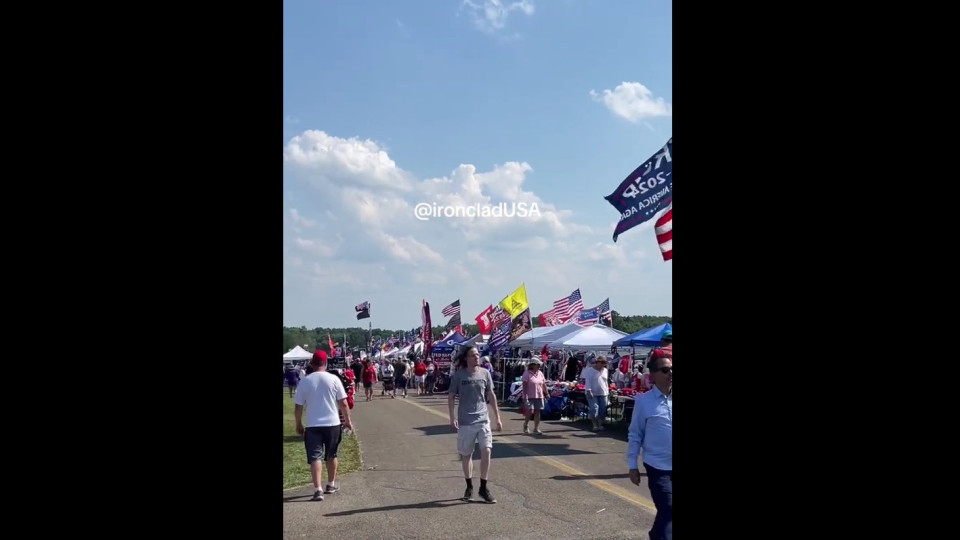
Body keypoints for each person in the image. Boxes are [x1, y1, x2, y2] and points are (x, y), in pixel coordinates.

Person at [294, 351, 354, 501]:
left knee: (315, 457)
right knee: (331, 454)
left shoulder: (305, 381)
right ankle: (331, 484)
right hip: (332, 423)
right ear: (326, 363)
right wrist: (347, 421)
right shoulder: (334, 379)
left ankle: (317, 489)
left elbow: (298, 407)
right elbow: (344, 403)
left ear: (313, 364)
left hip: (313, 424)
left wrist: (298, 423)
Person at [626, 349, 672, 540]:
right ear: (652, 375)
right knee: (669, 507)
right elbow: (635, 434)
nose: (671, 373)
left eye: (672, 369)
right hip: (658, 466)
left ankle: (656, 534)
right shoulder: (644, 402)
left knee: (668, 512)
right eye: (665, 370)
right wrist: (632, 465)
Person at [447, 346, 501, 504]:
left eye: (478, 355)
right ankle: (469, 486)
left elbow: (491, 395)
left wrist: (497, 417)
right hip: (465, 421)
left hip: (483, 420)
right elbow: (451, 396)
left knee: (487, 450)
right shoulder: (459, 375)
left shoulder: (485, 373)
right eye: (473, 355)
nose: (477, 357)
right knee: (466, 455)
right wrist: (452, 417)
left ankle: (483, 488)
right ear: (466, 358)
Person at [521, 359, 548, 435]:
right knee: (530, 411)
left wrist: (547, 393)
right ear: (532, 365)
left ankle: (536, 428)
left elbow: (543, 384)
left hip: (539, 395)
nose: (539, 366)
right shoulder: (527, 373)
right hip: (529, 395)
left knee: (538, 411)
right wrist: (525, 396)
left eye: (539, 365)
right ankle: (526, 424)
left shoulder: (540, 373)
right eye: (537, 365)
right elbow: (525, 386)